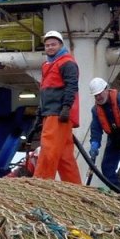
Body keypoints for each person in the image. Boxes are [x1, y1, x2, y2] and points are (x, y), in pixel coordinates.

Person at [32, 30, 81, 184]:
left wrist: (66, 107)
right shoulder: (48, 65)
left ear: (60, 45)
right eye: (47, 45)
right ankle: (75, 189)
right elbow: (45, 90)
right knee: (65, 157)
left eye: (53, 44)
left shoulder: (67, 63)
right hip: (53, 113)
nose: (50, 48)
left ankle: (41, 186)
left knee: (48, 150)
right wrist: (40, 112)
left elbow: (71, 86)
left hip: (57, 114)